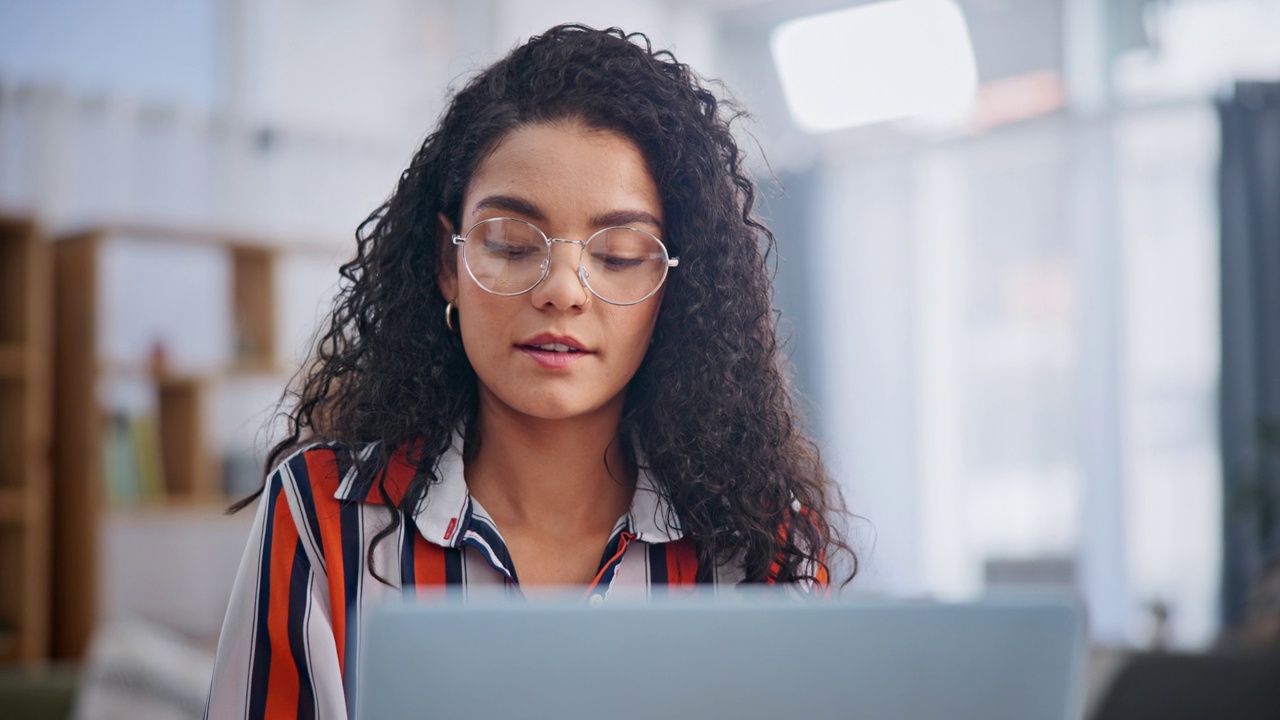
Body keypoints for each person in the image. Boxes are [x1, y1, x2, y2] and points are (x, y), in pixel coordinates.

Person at [205, 23, 854, 719]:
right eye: (513, 245)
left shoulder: (760, 544)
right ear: (446, 264)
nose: (563, 290)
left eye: (619, 254)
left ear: (674, 289)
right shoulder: (323, 516)